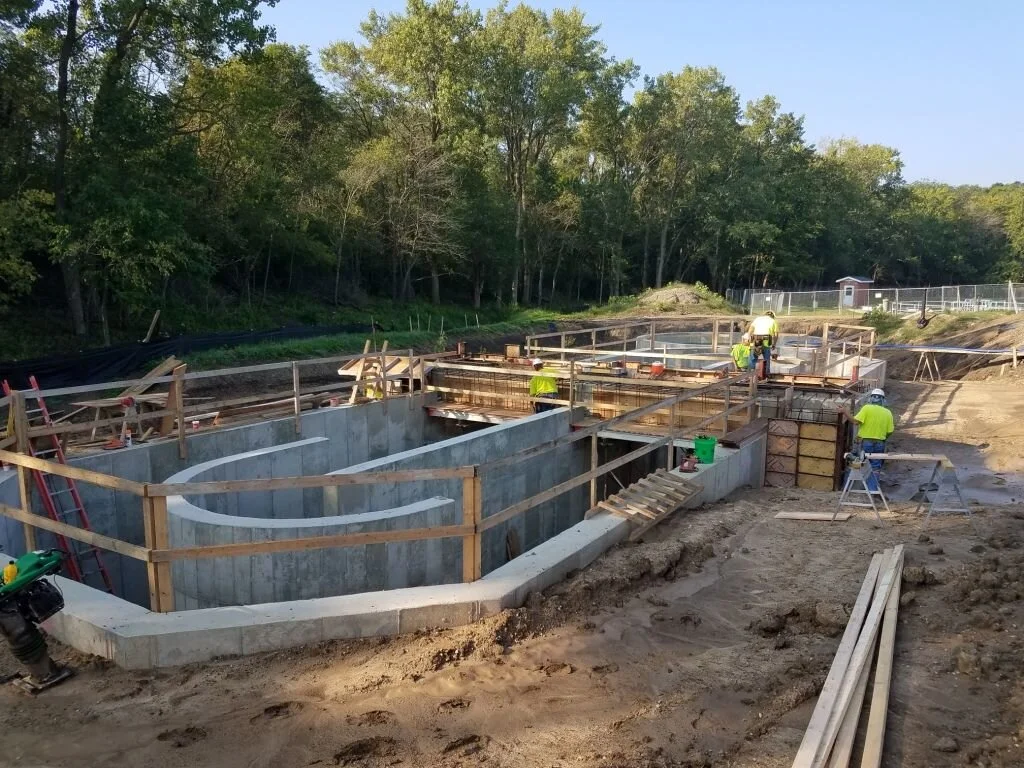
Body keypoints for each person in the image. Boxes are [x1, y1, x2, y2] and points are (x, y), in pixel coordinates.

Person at [847, 388, 895, 484]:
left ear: (871, 398)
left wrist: (844, 411)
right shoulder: (888, 413)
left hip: (865, 442)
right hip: (880, 443)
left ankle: (856, 488)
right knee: (876, 467)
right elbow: (890, 431)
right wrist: (883, 438)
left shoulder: (866, 408)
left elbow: (855, 421)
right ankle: (872, 490)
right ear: (883, 400)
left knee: (859, 463)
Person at [748, 311, 779, 377]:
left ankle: (750, 374)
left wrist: (749, 337)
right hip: (766, 340)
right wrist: (774, 344)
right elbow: (776, 335)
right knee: (766, 358)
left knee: (753, 357)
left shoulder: (757, 319)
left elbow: (751, 329)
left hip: (756, 339)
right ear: (772, 316)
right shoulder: (773, 321)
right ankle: (766, 373)